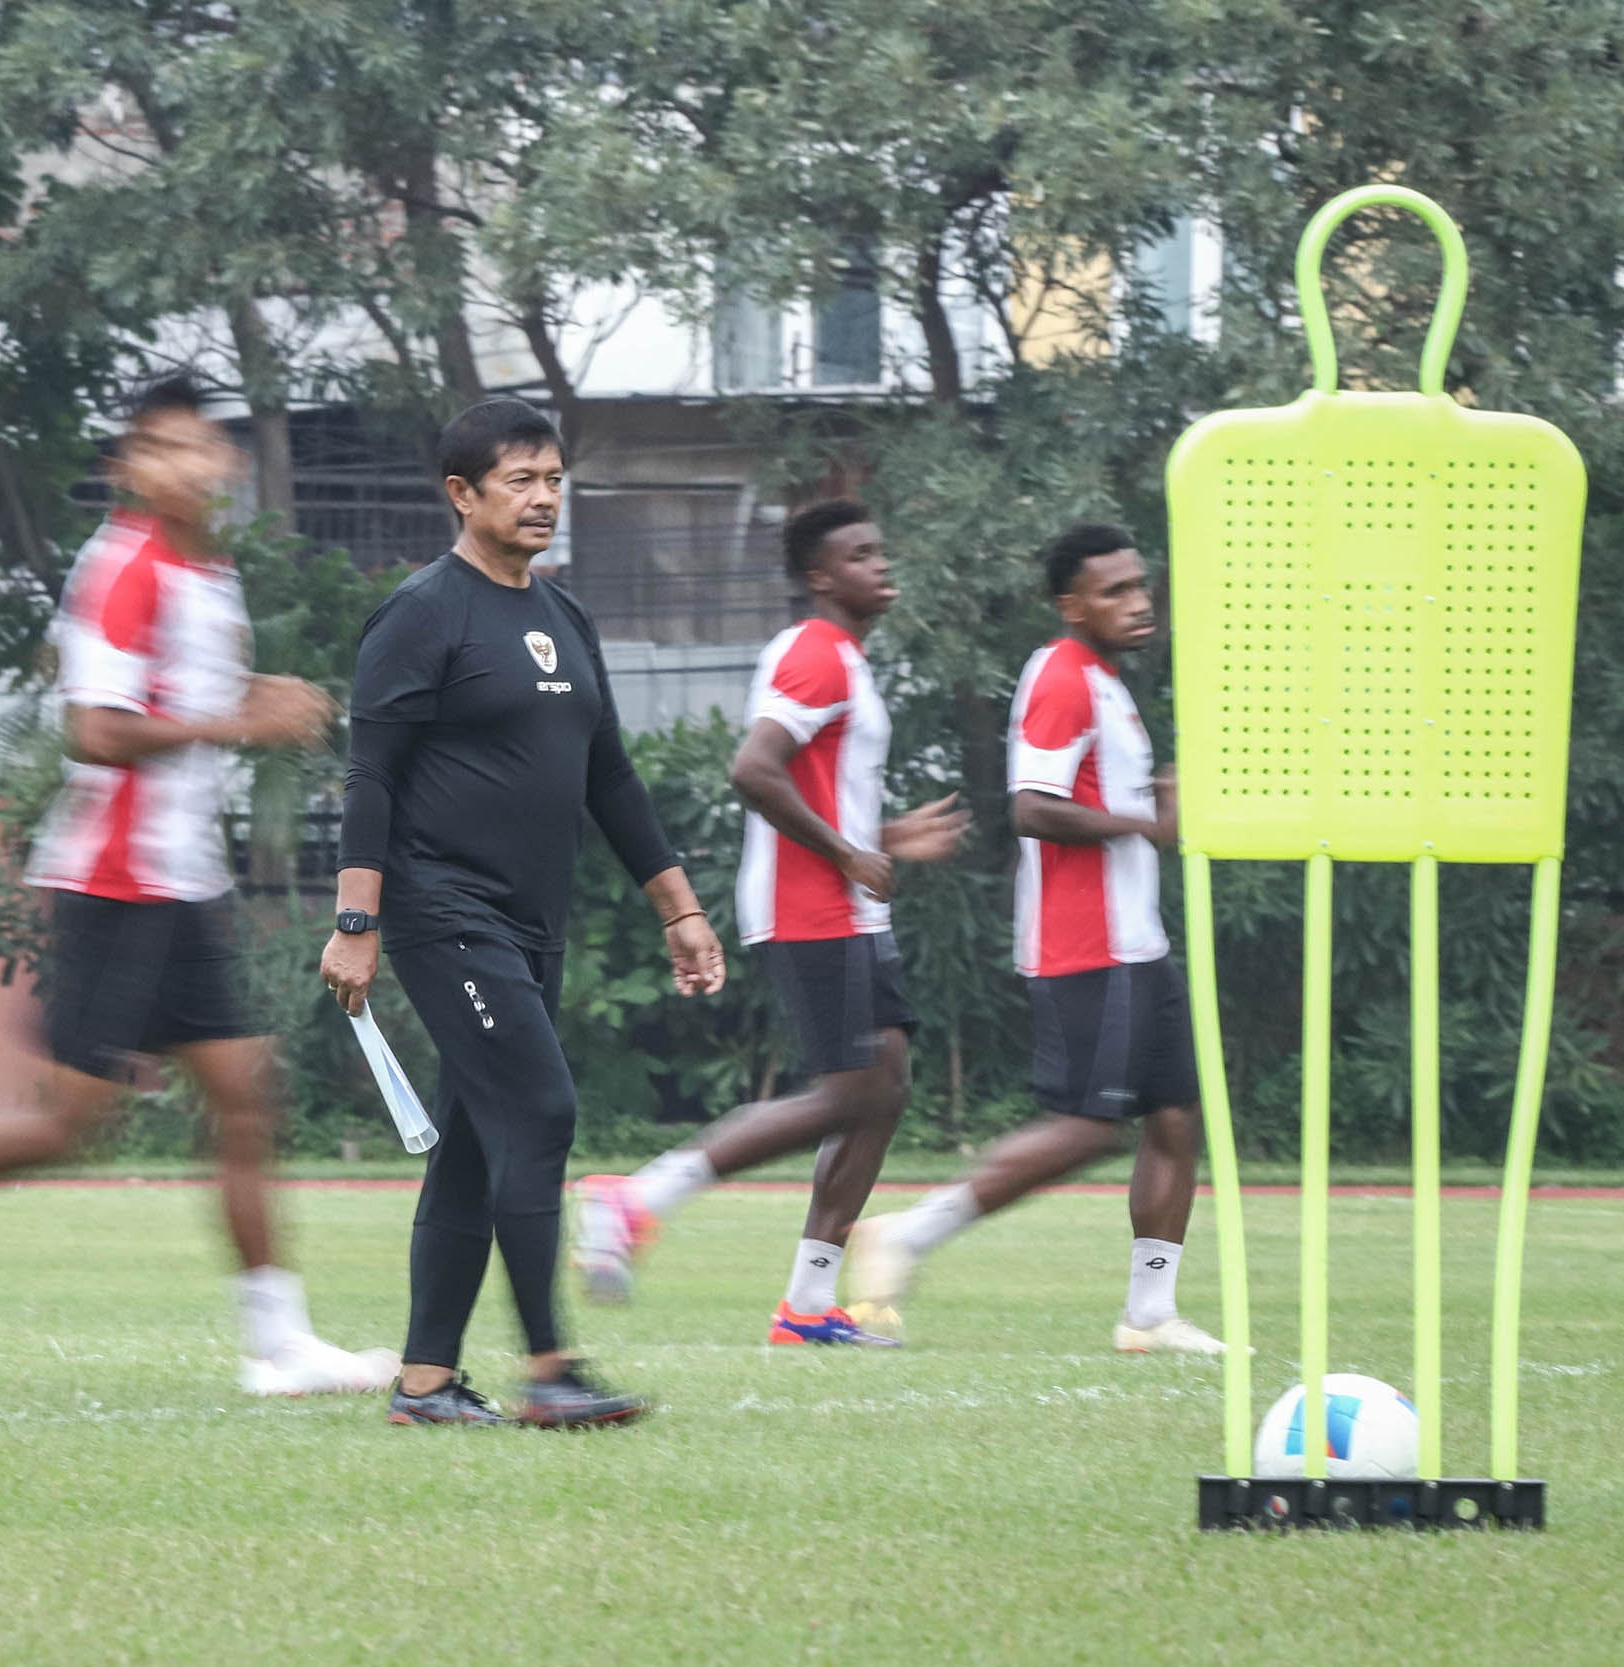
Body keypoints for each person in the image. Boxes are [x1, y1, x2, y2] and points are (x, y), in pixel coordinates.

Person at [0, 376, 394, 1397]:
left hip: (179, 880)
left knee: (244, 1096)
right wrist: (238, 721)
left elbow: (178, 699)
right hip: (115, 881)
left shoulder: (204, 568)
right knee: (68, 1122)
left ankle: (278, 1344)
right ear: (129, 467)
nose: (196, 466)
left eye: (207, 448)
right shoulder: (121, 568)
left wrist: (251, 694)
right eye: (169, 450)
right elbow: (94, 729)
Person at [322, 396, 728, 1429]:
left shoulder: (562, 615)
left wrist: (678, 907)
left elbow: (611, 778)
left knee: (473, 1138)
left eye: (553, 478)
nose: (544, 497)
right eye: (521, 480)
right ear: (462, 494)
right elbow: (371, 776)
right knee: (540, 1109)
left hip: (527, 922)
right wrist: (356, 922)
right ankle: (550, 1366)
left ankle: (424, 1383)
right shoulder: (422, 610)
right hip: (440, 911)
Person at [569, 501, 965, 1343]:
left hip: (844, 901)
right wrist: (848, 855)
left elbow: (810, 790)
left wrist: (880, 841)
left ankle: (809, 1305)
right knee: (851, 1091)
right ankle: (635, 1198)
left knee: (884, 1088)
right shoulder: (818, 653)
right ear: (820, 576)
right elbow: (753, 769)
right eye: (859, 554)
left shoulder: (844, 659)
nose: (880, 564)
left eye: (880, 548)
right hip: (812, 907)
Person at [845, 524, 1225, 1354]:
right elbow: (1032, 806)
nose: (1137, 599)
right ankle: (908, 1234)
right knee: (1090, 1125)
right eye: (1114, 589)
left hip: (1138, 943)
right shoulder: (1061, 675)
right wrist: (1150, 822)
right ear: (1071, 604)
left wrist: (1148, 806)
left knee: (1175, 1119)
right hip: (1086, 944)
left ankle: (1150, 1315)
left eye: (1139, 584)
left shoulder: (1107, 681)